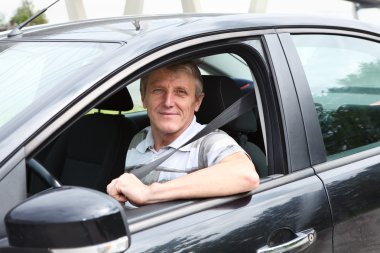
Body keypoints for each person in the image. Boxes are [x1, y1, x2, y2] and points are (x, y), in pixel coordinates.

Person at [107, 61, 259, 206]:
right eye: (158, 90)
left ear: (197, 102)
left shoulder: (210, 141)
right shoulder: (138, 139)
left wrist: (149, 193)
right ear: (144, 97)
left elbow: (246, 175)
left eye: (181, 92)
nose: (168, 102)